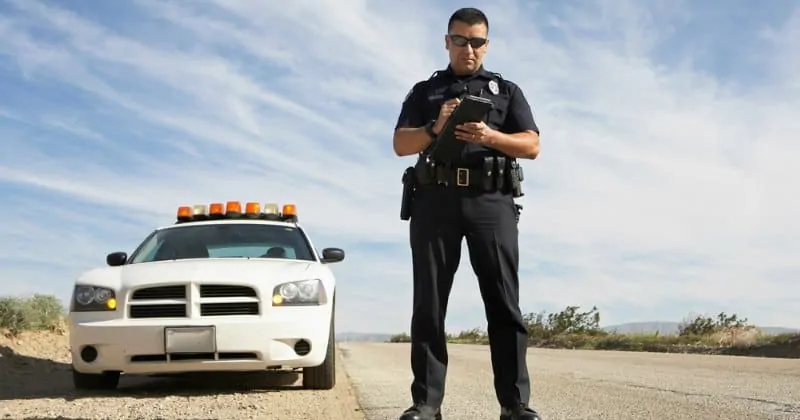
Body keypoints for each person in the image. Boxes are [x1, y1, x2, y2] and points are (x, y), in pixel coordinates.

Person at [392, 7, 542, 420]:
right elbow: (400, 143)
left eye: (477, 41)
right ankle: (426, 404)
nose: (468, 49)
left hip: (490, 202)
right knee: (429, 304)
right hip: (435, 201)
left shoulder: (506, 91)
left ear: (486, 44)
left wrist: (490, 135)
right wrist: (435, 128)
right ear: (447, 42)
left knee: (504, 304)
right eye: (460, 40)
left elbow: (532, 145)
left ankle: (515, 405)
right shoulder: (427, 91)